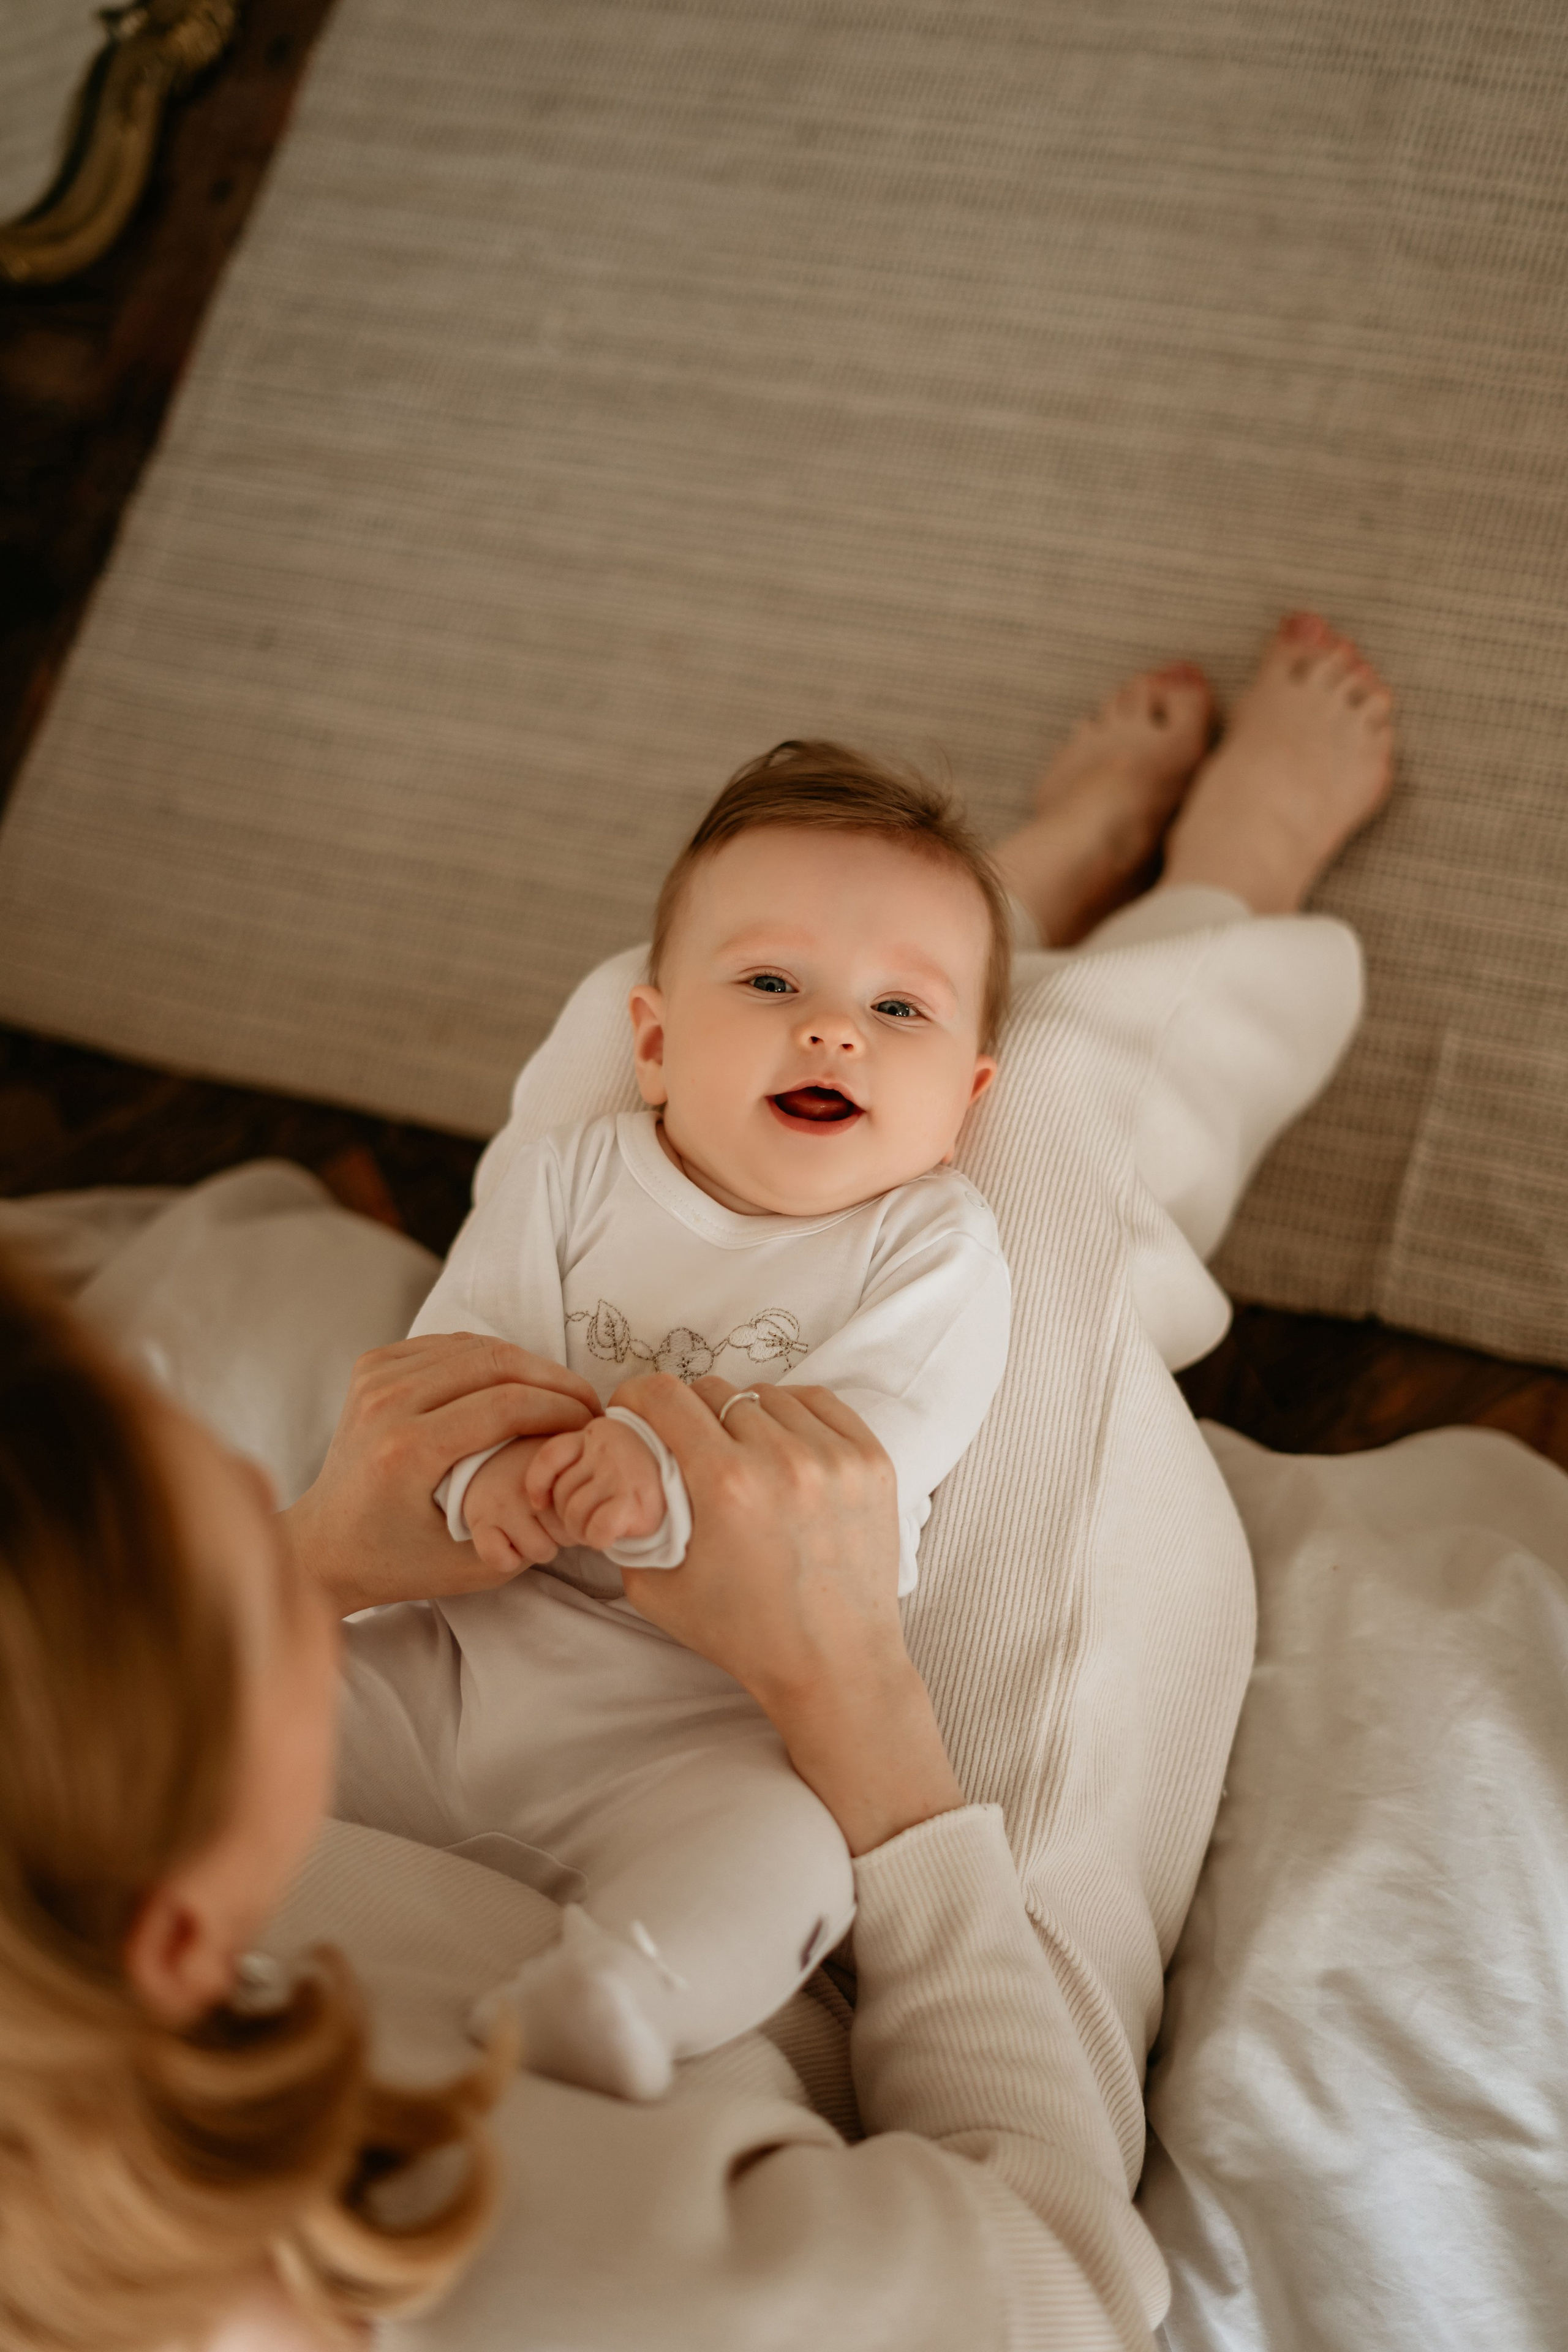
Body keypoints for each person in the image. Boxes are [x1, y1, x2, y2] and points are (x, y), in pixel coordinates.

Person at [0, 611, 1391, 2352]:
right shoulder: (618, 2287)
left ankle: (1002, 910)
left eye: (889, 1009)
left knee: (654, 1003)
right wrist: (845, 1695)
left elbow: (492, 1333)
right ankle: (1209, 907)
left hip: (495, 1637)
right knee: (1045, 1112)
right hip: (764, 1732)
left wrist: (346, 1548)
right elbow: (1053, 2279)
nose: (829, 1035)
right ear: (177, 1928)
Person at [384, 742, 1017, 2100]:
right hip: (462, 1650)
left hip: (702, 1716)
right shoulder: (569, 1178)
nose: (833, 1031)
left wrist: (661, 1468)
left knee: (788, 1857)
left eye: (901, 1011)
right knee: (252, 1696)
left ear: (966, 1099)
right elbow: (457, 1346)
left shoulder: (932, 1244)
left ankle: (617, 1993)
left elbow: (880, 1433)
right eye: (774, 983)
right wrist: (478, 1473)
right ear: (656, 1042)